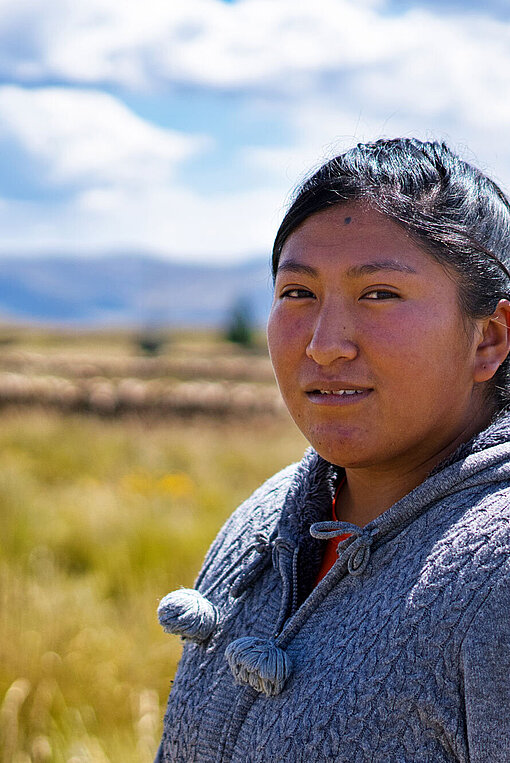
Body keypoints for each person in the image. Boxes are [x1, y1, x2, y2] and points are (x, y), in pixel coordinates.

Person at [156, 138, 510, 762]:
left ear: (489, 337)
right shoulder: (264, 524)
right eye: (298, 293)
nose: (324, 345)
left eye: (378, 293)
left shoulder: (496, 575)